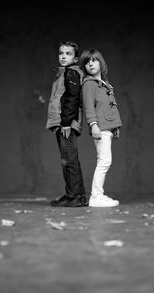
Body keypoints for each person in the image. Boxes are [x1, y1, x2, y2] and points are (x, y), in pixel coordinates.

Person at [46, 41, 87, 207]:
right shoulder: (63, 73)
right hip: (62, 123)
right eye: (61, 53)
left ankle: (77, 197)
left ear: (76, 58)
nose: (63, 56)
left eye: (68, 54)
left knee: (70, 161)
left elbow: (72, 99)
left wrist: (66, 123)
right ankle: (71, 195)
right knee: (67, 160)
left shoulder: (72, 73)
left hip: (67, 124)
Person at [80, 48, 122, 207]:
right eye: (87, 62)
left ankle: (97, 195)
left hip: (107, 127)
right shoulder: (89, 84)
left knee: (105, 161)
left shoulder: (104, 85)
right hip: (100, 127)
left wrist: (115, 127)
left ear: (101, 63)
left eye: (94, 60)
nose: (90, 64)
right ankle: (96, 196)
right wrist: (93, 124)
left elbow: (110, 108)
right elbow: (89, 107)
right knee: (104, 161)